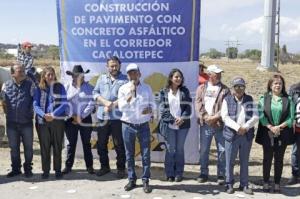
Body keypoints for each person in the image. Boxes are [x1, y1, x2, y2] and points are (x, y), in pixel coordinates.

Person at [118, 63, 154, 193]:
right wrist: (131, 94)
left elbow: (153, 105)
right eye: (130, 73)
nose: (133, 75)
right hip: (128, 125)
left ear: (139, 74)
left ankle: (145, 180)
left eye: (135, 72)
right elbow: (121, 107)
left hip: (143, 126)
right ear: (127, 75)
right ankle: (131, 179)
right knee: (129, 154)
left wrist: (150, 110)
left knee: (145, 154)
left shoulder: (147, 88)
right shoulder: (123, 89)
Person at [255, 74, 295, 193]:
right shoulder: (264, 99)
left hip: (282, 133)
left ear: (283, 86)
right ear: (270, 85)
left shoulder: (288, 100)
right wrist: (271, 127)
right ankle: (266, 182)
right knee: (267, 159)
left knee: (279, 159)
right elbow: (261, 115)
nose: (278, 85)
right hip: (267, 133)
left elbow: (291, 117)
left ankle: (277, 184)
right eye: (275, 83)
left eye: (280, 83)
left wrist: (279, 127)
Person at [221, 77, 259, 194]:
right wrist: (238, 128)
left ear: (244, 88)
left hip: (246, 135)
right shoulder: (226, 100)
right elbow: (225, 117)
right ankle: (229, 184)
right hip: (231, 135)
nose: (239, 89)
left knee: (244, 161)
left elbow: (256, 116)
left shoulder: (250, 99)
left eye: (241, 86)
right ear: (232, 88)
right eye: (236, 86)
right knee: (229, 161)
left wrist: (245, 127)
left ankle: (244, 184)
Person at [93, 56, 127, 178]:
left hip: (118, 118)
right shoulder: (101, 78)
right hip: (103, 116)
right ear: (107, 66)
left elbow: (127, 96)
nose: (114, 68)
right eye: (111, 66)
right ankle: (105, 167)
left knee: (119, 144)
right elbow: (95, 93)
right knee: (101, 143)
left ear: (119, 66)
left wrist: (112, 104)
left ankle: (121, 168)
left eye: (116, 65)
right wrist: (105, 102)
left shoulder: (125, 79)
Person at [195, 64, 229, 185]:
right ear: (210, 74)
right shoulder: (201, 88)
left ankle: (221, 174)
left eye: (220, 73)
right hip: (205, 124)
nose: (219, 75)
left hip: (219, 124)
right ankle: (203, 173)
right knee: (204, 150)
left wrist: (215, 117)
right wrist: (205, 117)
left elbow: (227, 107)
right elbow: (198, 104)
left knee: (222, 150)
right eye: (216, 73)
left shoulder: (225, 90)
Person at [0, 63, 35, 178]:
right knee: (14, 148)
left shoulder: (30, 85)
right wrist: (7, 113)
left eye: (23, 70)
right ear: (12, 74)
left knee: (28, 149)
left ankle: (28, 168)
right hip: (11, 124)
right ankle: (16, 169)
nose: (23, 72)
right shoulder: (6, 85)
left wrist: (30, 113)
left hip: (26, 123)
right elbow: (3, 101)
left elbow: (35, 101)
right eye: (20, 71)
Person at [33, 66, 67, 179]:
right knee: (45, 147)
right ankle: (46, 171)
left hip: (57, 121)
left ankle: (57, 170)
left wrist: (53, 115)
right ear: (43, 76)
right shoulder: (38, 88)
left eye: (52, 74)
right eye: (48, 75)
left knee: (57, 146)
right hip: (42, 122)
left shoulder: (60, 87)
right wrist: (43, 115)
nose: (51, 77)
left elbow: (64, 103)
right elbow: (35, 105)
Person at [158, 69, 192, 182]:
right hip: (169, 125)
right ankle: (170, 173)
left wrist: (182, 118)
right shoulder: (163, 92)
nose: (178, 79)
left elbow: (188, 107)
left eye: (180, 77)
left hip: (183, 125)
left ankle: (178, 173)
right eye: (176, 77)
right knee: (170, 149)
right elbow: (163, 110)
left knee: (179, 149)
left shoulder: (184, 91)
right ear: (171, 78)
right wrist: (173, 120)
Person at [62, 65, 95, 175]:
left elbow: (91, 104)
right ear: (72, 76)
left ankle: (89, 166)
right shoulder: (66, 87)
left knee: (87, 143)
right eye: (76, 75)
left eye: (80, 75)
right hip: (70, 119)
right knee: (71, 143)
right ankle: (68, 166)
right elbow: (64, 104)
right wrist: (73, 116)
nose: (78, 77)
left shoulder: (90, 88)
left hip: (85, 119)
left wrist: (81, 116)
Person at [287, 82, 300, 185]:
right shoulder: (295, 89)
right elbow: (289, 107)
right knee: (295, 152)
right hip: (298, 129)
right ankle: (295, 175)